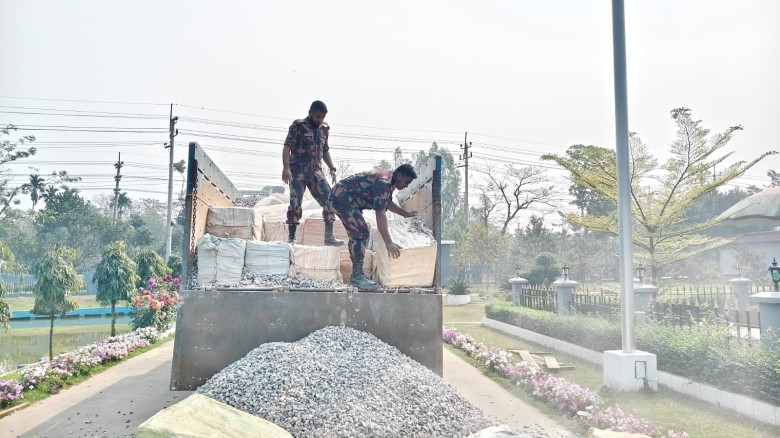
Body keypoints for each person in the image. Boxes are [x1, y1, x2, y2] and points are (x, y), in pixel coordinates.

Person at [328, 164, 418, 290]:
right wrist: (389, 243)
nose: (406, 185)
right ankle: (357, 277)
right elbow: (380, 214)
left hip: (346, 199)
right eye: (406, 181)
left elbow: (387, 202)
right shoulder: (384, 181)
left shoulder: (390, 182)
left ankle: (357, 275)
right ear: (399, 175)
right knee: (361, 232)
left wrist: (405, 214)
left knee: (360, 232)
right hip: (341, 197)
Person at [282, 100, 344, 246]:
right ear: (310, 113)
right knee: (295, 204)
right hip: (298, 172)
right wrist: (286, 168)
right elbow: (287, 147)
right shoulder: (298, 126)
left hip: (316, 173)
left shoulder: (324, 129)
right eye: (317, 117)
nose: (320, 120)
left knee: (330, 200)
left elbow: (325, 150)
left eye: (322, 117)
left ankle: (328, 237)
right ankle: (291, 238)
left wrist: (332, 168)